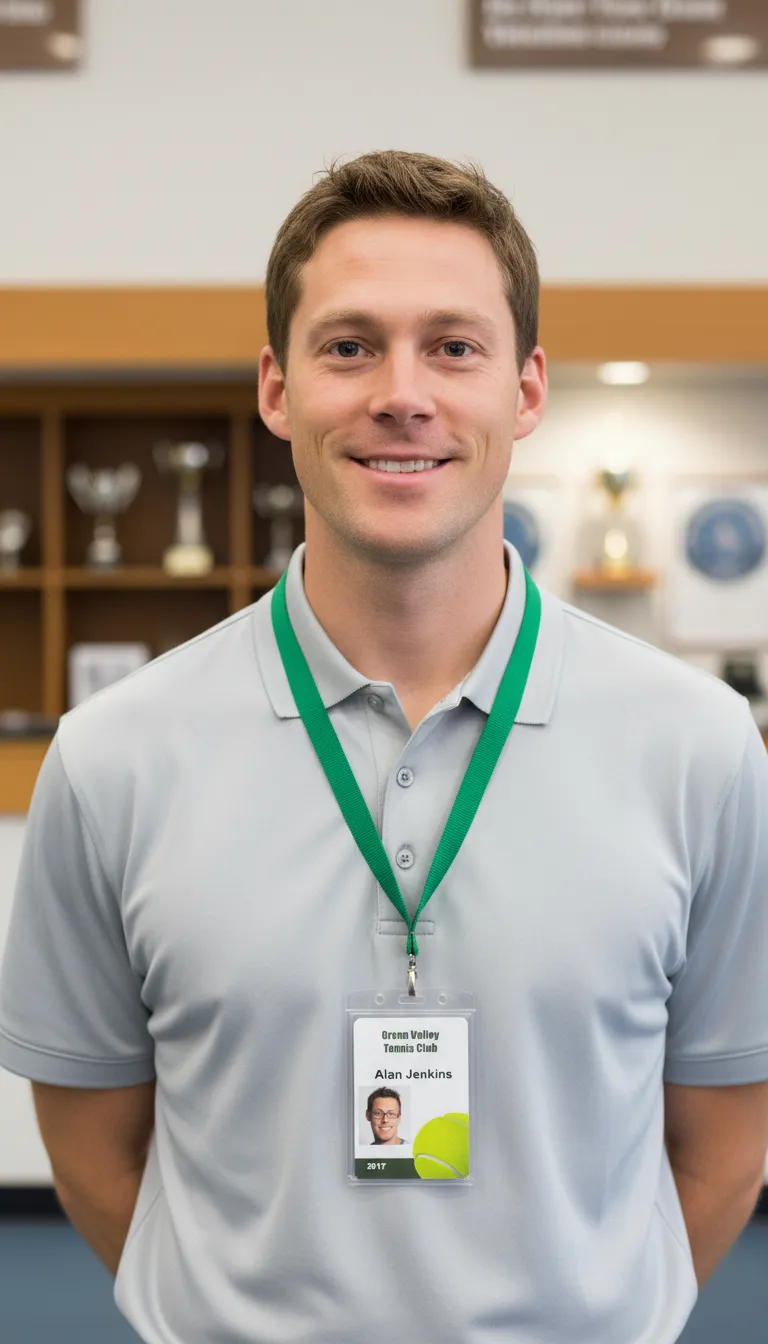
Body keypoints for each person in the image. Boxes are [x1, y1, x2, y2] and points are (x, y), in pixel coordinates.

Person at [0, 149, 767, 1344]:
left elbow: (722, 1147)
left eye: (453, 347)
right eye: (349, 346)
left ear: (524, 392)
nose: (400, 393)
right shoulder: (112, 761)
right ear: (275, 388)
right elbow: (98, 1152)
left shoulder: (704, 752)